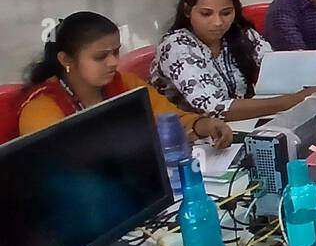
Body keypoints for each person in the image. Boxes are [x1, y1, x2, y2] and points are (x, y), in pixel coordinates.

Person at [152, 0, 316, 123]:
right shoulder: (176, 46)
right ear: (187, 10)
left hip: (244, 125)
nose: (218, 22)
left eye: (226, 13)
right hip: (197, 140)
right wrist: (295, 100)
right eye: (206, 14)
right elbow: (216, 109)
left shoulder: (240, 33)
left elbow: (279, 67)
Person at [19, 11, 233, 147]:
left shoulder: (125, 84)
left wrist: (205, 124)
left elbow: (172, 119)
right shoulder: (41, 109)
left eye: (116, 52)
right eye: (101, 56)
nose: (113, 62)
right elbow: (59, 165)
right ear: (66, 59)